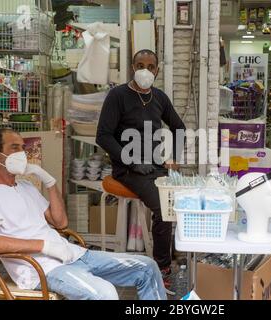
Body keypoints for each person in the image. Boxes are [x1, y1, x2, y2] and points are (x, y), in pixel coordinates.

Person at [0, 128, 166, 300]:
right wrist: (45, 247)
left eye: (23, 147)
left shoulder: (27, 187)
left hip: (74, 254)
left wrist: (50, 183)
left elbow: (61, 222)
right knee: (104, 294)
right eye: (15, 148)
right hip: (43, 269)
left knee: (147, 267)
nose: (22, 153)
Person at [97, 49, 186, 289]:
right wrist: (131, 160)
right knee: (163, 207)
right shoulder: (118, 95)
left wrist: (174, 158)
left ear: (157, 70)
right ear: (132, 68)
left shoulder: (159, 97)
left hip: (154, 166)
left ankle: (179, 255)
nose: (145, 70)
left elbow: (179, 127)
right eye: (140, 65)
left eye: (150, 66)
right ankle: (162, 269)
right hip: (127, 169)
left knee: (183, 198)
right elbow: (103, 136)